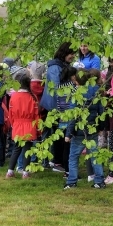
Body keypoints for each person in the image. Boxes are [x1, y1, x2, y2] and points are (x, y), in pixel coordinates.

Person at [64, 70, 107, 189]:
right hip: (92, 129)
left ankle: (71, 181)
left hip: (79, 131)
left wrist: (68, 133)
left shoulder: (76, 95)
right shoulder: (96, 92)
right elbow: (101, 111)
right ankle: (99, 181)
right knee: (95, 156)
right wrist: (101, 127)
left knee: (73, 157)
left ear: (77, 81)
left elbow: (73, 116)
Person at [39, 42, 75, 171]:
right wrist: (72, 88)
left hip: (60, 105)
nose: (73, 56)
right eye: (71, 53)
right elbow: (55, 87)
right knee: (55, 134)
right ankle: (55, 161)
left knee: (57, 133)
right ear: (65, 53)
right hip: (55, 106)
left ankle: (56, 160)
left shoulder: (62, 65)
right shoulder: (55, 67)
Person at [5, 73, 40, 179]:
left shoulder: (14, 97)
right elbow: (36, 115)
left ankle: (10, 171)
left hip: (17, 125)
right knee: (27, 150)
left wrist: (12, 124)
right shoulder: (32, 97)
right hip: (29, 125)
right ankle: (25, 173)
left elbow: (10, 113)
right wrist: (38, 128)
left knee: (16, 149)